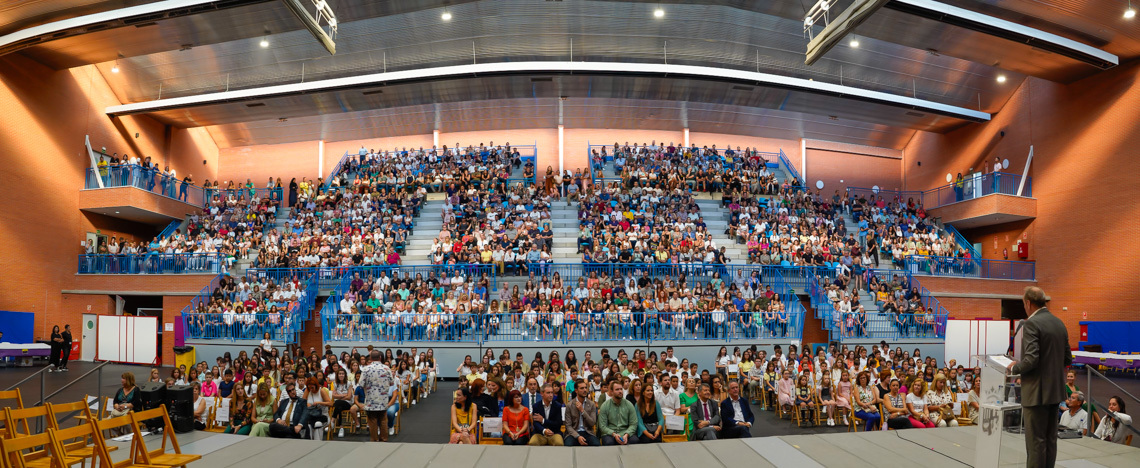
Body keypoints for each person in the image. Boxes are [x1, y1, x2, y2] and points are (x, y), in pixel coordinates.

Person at [1008, 287, 1072, 468]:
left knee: (1036, 442)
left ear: (1028, 303)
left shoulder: (1031, 324)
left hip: (1036, 394)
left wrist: (1014, 368)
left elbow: (1031, 360)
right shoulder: (1059, 323)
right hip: (1055, 392)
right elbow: (1068, 358)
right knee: (1050, 440)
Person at [360, 349, 395, 441]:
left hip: (370, 401)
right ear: (380, 357)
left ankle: (374, 440)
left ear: (370, 358)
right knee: (383, 420)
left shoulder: (366, 369)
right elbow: (392, 383)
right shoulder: (387, 368)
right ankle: (384, 439)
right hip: (383, 400)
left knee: (372, 421)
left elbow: (361, 384)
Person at [598, 380, 640, 445]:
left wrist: (627, 434)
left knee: (635, 440)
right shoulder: (605, 405)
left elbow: (633, 423)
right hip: (610, 433)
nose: (620, 391)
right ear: (611, 392)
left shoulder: (629, 404)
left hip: (625, 431)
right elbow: (602, 426)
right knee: (609, 442)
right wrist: (614, 434)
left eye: (621, 389)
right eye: (617, 389)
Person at [564, 378, 600, 446]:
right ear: (576, 390)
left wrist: (582, 411)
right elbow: (568, 426)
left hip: (588, 432)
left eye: (586, 388)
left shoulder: (591, 404)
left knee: (596, 444)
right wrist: (577, 436)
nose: (585, 390)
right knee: (568, 445)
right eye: (582, 388)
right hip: (574, 432)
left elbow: (592, 423)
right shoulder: (570, 405)